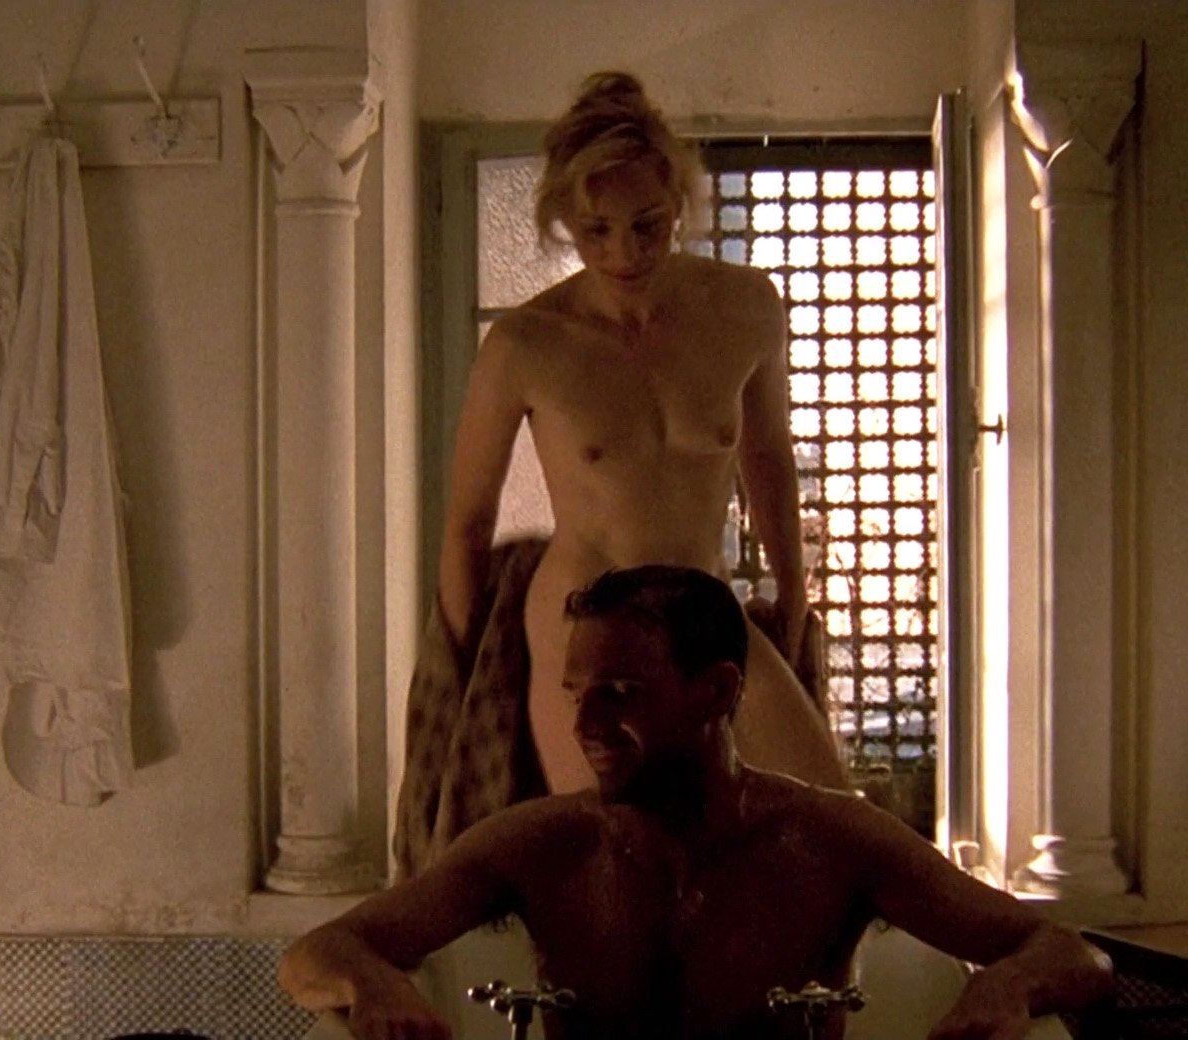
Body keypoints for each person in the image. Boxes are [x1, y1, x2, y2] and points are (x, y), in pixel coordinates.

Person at [282, 566, 1115, 1040]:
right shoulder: (538, 845)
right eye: (577, 692)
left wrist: (1007, 988)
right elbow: (316, 952)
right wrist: (372, 982)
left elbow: (1071, 954)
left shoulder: (832, 840)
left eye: (620, 693)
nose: (585, 725)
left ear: (716, 691)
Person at [438, 70, 846, 796]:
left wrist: (793, 596)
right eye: (596, 230)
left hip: (702, 611)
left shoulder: (745, 308)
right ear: (564, 220)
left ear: (679, 203)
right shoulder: (525, 344)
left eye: (647, 224)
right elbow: (468, 522)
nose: (624, 252)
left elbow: (767, 460)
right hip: (583, 622)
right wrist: (461, 677)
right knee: (617, 838)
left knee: (825, 814)